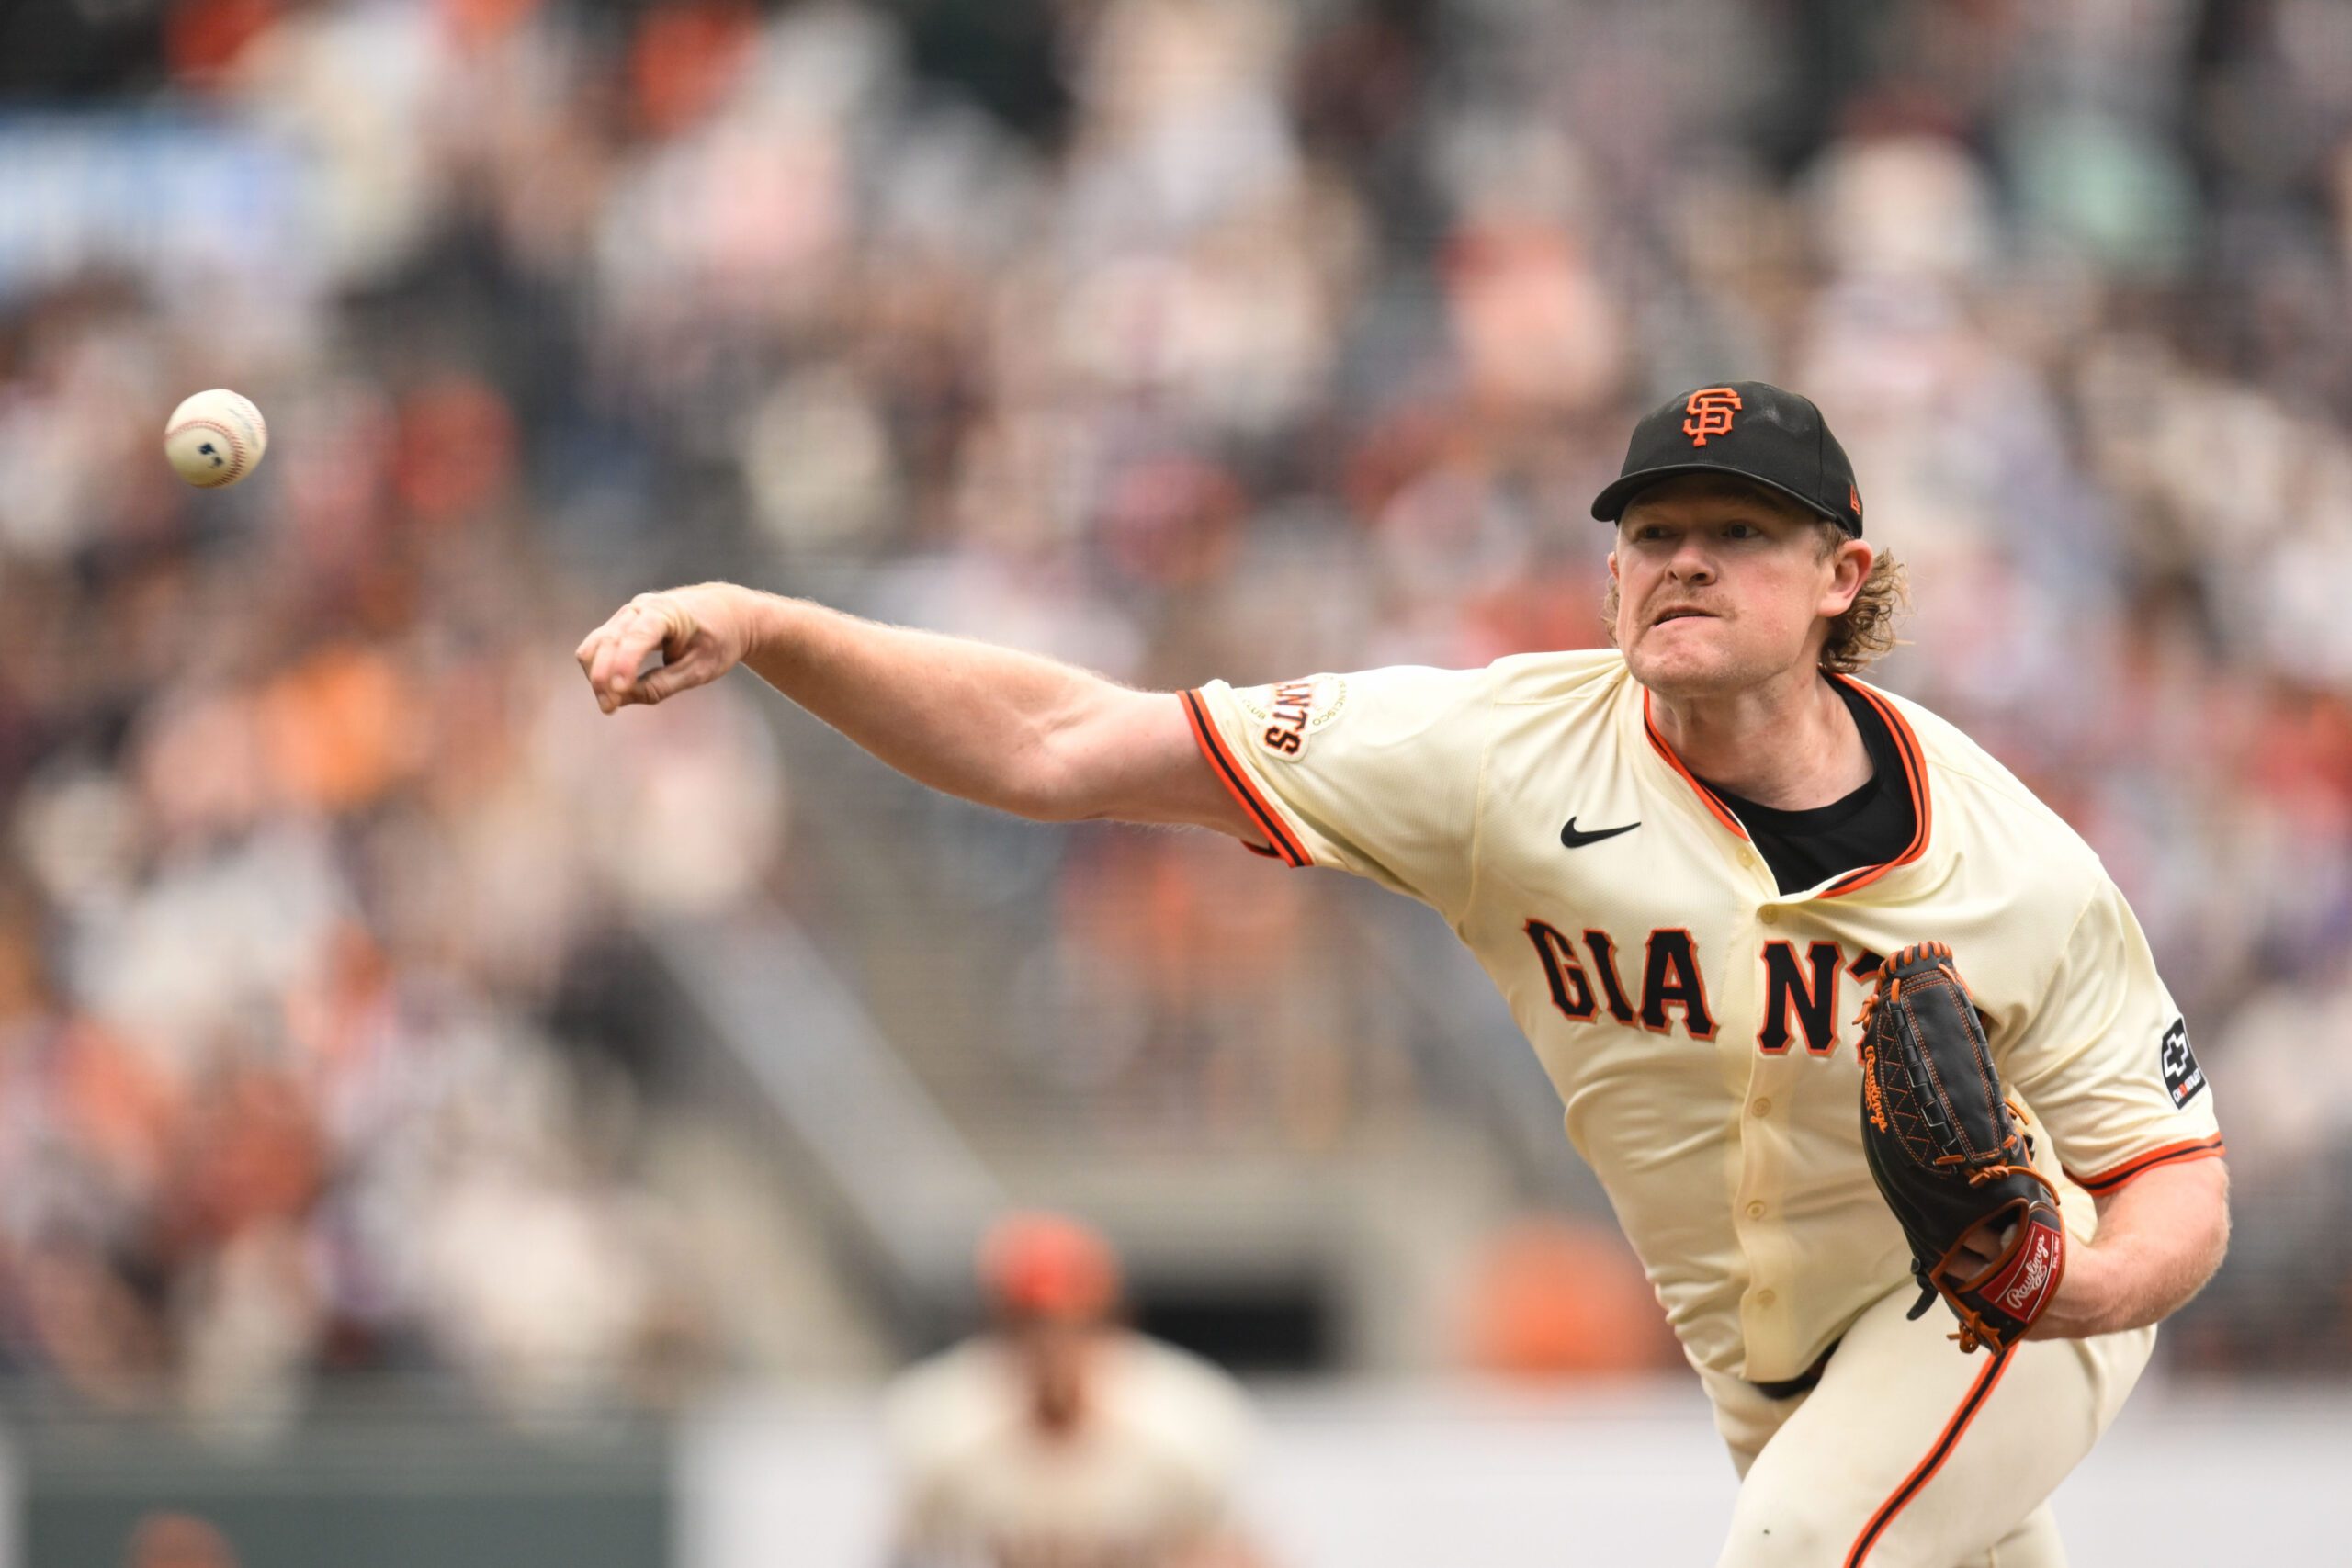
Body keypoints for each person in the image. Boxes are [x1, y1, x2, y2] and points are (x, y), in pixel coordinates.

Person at [577, 381, 2230, 1566]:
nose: (1687, 559)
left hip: (1984, 1307)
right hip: (1764, 1356)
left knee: (1798, 1547)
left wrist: (2063, 1288)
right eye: (1655, 529)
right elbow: (1064, 740)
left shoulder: (2010, 862)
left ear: (1843, 579)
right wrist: (770, 625)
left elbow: (2176, 1181)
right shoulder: (1497, 756)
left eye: (1743, 530)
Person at [879, 1212, 1266, 1568]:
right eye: (1028, 1325)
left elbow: (1239, 1551)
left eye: (1073, 1323)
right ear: (994, 1326)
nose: (1052, 1346)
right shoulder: (941, 1423)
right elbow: (910, 1551)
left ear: (1113, 1320)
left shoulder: (1184, 1418)